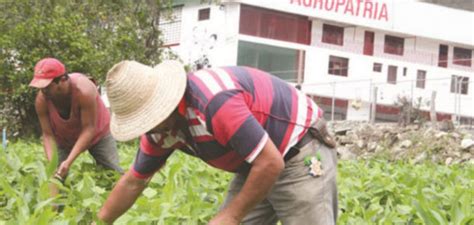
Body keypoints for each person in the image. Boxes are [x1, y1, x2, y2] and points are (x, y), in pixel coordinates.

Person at [97, 60, 338, 225]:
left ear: (163, 106)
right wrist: (99, 222)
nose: (147, 128)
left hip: (299, 150)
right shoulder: (159, 131)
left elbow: (270, 163)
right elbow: (132, 182)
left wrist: (232, 216)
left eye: (147, 119)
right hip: (256, 163)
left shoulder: (214, 103)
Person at [30, 58, 123, 182]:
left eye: (46, 86)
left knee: (114, 173)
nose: (43, 91)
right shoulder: (42, 100)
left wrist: (68, 162)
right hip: (64, 138)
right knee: (55, 178)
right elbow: (47, 135)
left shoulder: (84, 91)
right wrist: (53, 165)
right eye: (40, 87)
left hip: (97, 133)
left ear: (62, 80)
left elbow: (89, 129)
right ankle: (56, 202)